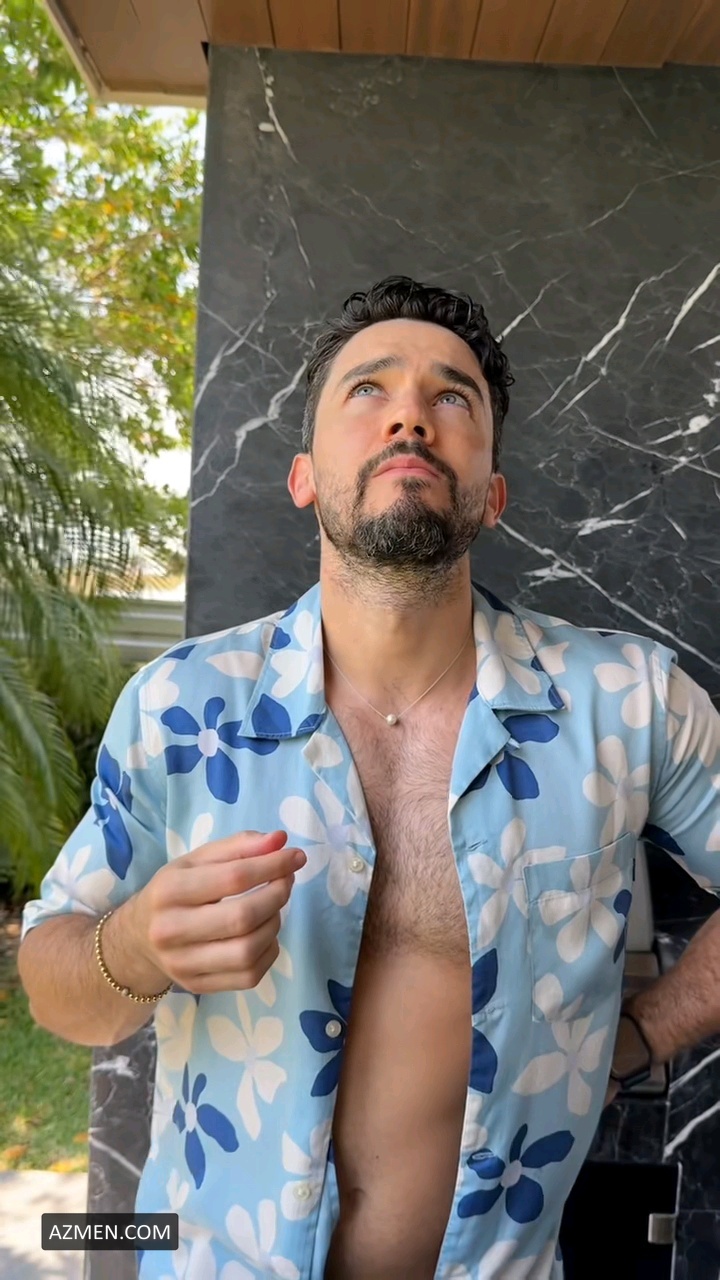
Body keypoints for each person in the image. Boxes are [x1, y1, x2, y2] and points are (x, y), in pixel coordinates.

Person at [18, 275, 720, 1280]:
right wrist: (133, 945)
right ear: (305, 476)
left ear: (492, 493)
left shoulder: (628, 703)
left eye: (452, 397)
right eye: (368, 389)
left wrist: (642, 1033)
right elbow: (55, 987)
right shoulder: (179, 706)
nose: (410, 415)